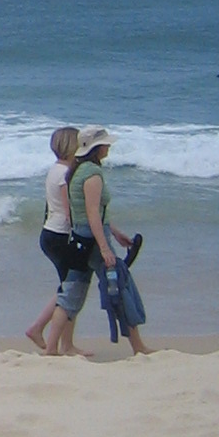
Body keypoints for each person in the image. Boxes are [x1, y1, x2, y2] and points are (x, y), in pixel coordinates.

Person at [67, 128, 151, 357]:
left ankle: (57, 344)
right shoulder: (92, 174)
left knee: (71, 289)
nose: (109, 146)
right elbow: (92, 213)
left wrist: (114, 232)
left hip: (85, 235)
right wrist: (104, 247)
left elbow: (88, 213)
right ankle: (138, 347)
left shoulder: (80, 170)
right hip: (93, 238)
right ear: (96, 149)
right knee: (120, 284)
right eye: (105, 143)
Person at [25, 126, 80, 352]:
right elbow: (70, 212)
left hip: (49, 232)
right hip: (60, 235)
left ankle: (63, 341)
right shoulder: (65, 174)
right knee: (71, 290)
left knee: (67, 288)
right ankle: (42, 331)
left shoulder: (54, 170)